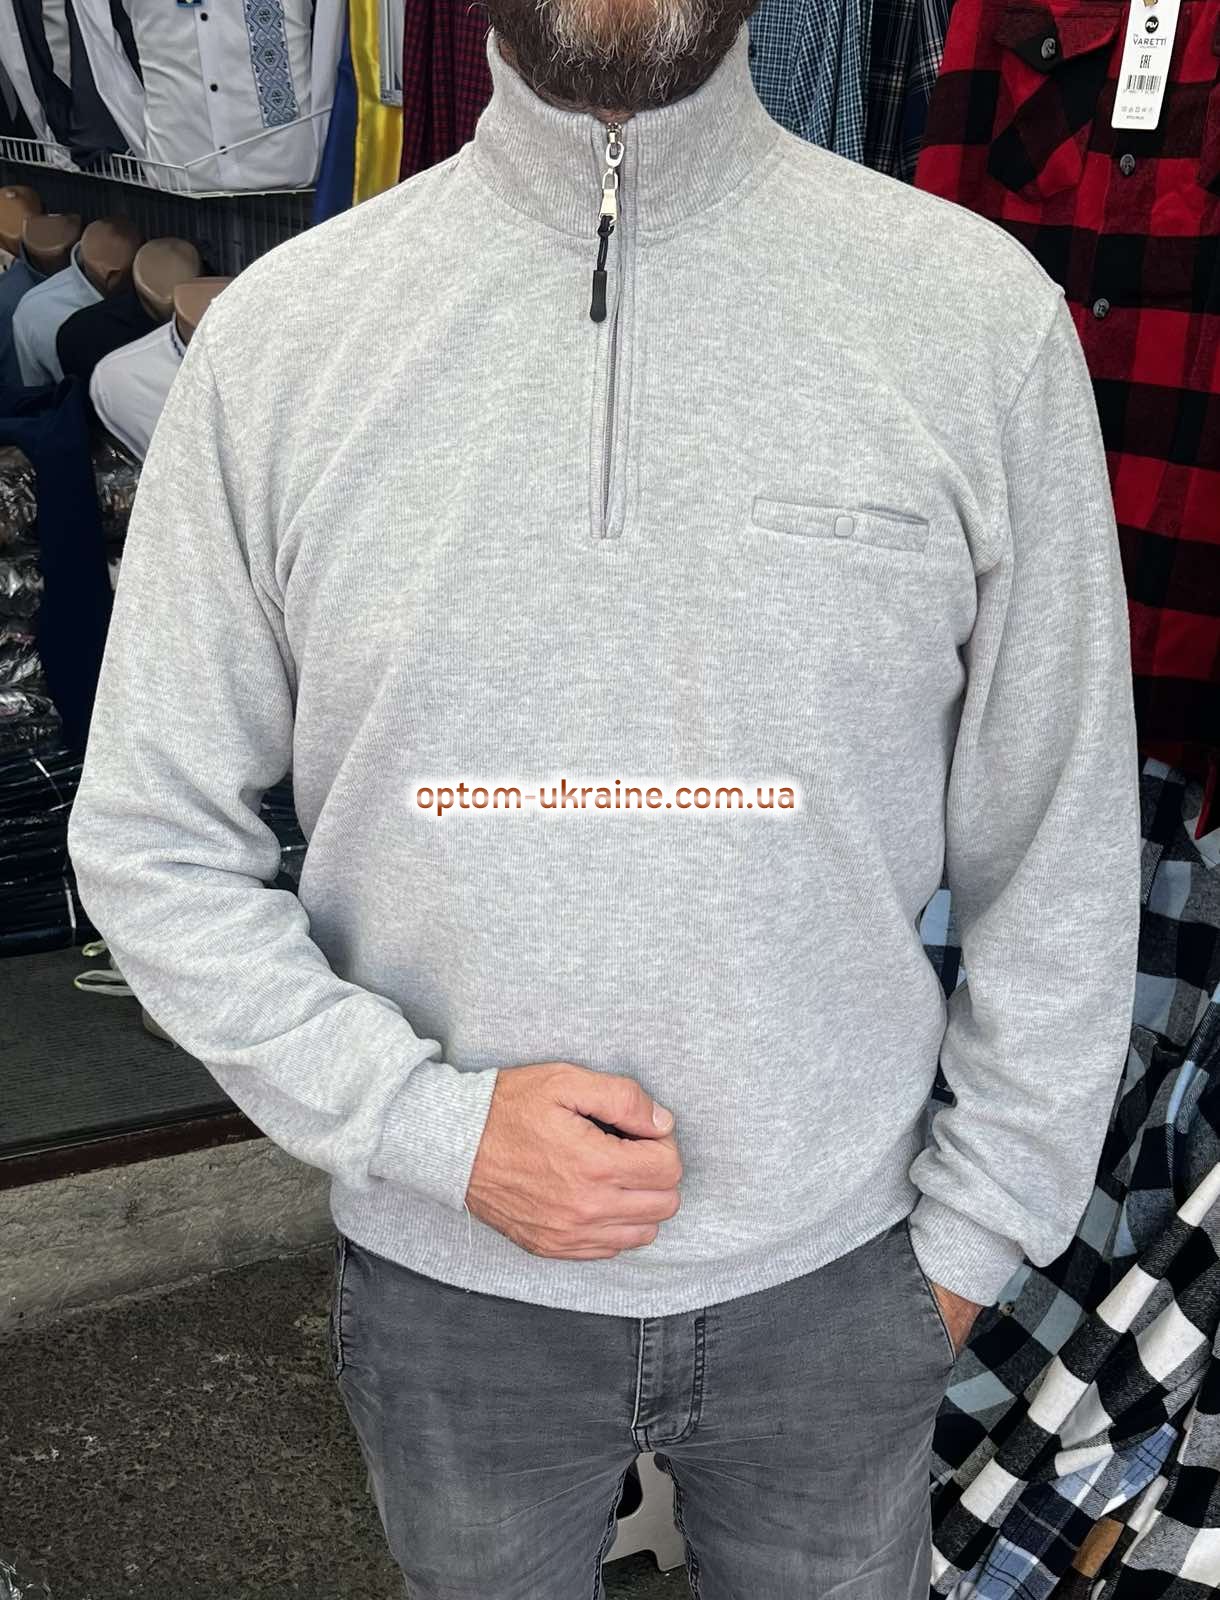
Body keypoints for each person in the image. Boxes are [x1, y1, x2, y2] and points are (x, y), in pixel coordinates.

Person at [66, 0, 1142, 1593]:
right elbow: (152, 843)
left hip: (849, 1282)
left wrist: (977, 1237)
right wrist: (423, 1128)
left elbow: (1059, 837)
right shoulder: (289, 341)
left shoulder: (972, 320)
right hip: (450, 1289)